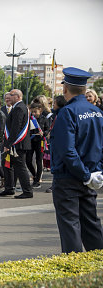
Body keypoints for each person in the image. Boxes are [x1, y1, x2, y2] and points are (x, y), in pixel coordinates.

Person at [51, 67, 103, 253]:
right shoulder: (96, 112)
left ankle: (76, 273)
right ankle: (97, 266)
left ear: (65, 89)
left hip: (69, 179)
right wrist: (96, 173)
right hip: (90, 177)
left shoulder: (67, 112)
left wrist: (85, 174)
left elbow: (67, 150)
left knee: (70, 227)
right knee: (91, 225)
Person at [0, 89, 33, 199]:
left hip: (17, 144)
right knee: (7, 165)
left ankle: (27, 191)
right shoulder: (18, 107)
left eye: (11, 95)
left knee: (20, 167)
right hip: (14, 143)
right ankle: (9, 188)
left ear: (17, 96)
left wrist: (8, 144)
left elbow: (15, 128)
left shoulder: (19, 108)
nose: (8, 97)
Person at [26, 101, 50, 189]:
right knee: (28, 160)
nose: (34, 113)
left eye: (35, 111)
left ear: (40, 110)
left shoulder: (44, 119)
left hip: (40, 141)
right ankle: (35, 175)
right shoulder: (30, 119)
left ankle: (37, 180)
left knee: (39, 161)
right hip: (31, 140)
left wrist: (43, 133)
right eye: (32, 112)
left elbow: (47, 129)